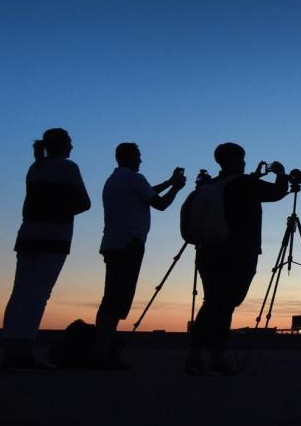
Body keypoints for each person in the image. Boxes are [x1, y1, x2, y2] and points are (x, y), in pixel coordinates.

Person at [186, 142, 287, 375]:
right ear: (234, 160)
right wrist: (280, 174)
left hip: (207, 251)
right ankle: (215, 358)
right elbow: (276, 193)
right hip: (237, 253)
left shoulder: (211, 184)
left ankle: (196, 355)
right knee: (223, 305)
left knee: (212, 302)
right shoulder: (244, 183)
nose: (243, 163)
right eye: (241, 159)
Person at [2, 128, 90, 370]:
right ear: (62, 145)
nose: (72, 147)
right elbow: (84, 203)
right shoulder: (68, 168)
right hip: (55, 236)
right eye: (70, 143)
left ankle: (11, 348)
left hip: (29, 234)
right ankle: (22, 351)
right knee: (39, 294)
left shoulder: (36, 167)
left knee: (20, 291)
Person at [93, 143, 186, 368]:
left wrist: (168, 182)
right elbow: (160, 204)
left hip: (114, 243)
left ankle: (100, 349)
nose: (141, 161)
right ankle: (101, 353)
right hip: (129, 244)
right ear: (131, 157)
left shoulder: (116, 179)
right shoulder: (135, 179)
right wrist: (176, 189)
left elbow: (145, 194)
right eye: (139, 156)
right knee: (117, 299)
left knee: (112, 296)